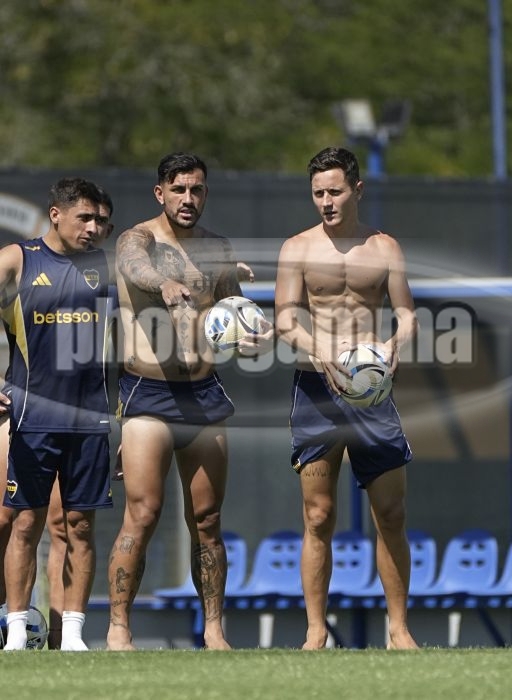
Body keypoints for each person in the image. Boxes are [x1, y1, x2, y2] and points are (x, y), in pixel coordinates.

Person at [106, 151, 272, 651]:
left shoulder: (216, 247)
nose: (187, 198)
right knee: (143, 512)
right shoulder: (137, 239)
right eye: (178, 189)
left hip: (203, 393)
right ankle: (119, 628)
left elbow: (234, 311)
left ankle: (214, 629)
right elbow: (135, 268)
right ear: (160, 192)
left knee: (208, 519)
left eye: (196, 189)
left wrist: (252, 338)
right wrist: (165, 282)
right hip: (149, 393)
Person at [274, 146, 419, 650]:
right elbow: (285, 318)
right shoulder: (297, 247)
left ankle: (398, 630)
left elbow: (407, 314)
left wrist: (395, 345)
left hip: (371, 392)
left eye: (334, 192)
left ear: (357, 189)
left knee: (391, 513)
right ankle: (316, 632)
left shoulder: (384, 247)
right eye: (318, 193)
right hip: (317, 390)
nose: (326, 202)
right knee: (318, 516)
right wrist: (320, 352)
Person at [0, 178, 113, 651]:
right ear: (55, 214)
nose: (93, 228)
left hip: (91, 419)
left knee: (80, 526)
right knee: (25, 523)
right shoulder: (18, 259)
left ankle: (73, 636)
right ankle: (16, 631)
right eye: (84, 218)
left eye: (101, 221)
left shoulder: (103, 266)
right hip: (33, 417)